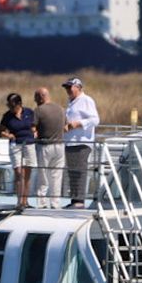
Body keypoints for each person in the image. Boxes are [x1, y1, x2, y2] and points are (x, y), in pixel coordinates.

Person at [61, 76, 99, 208]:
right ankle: (74, 199)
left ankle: (79, 201)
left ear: (78, 87)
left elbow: (95, 120)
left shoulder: (86, 100)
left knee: (79, 171)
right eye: (66, 87)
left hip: (81, 142)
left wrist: (77, 124)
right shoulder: (71, 102)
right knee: (72, 172)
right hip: (70, 142)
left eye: (70, 87)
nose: (68, 90)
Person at [0, 91, 37, 209]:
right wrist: (7, 135)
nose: (10, 108)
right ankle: (19, 201)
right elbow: (0, 131)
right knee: (19, 173)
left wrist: (35, 131)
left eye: (12, 106)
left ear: (19, 104)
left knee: (27, 174)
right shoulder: (7, 116)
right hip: (16, 145)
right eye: (8, 105)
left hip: (29, 144)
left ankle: (25, 201)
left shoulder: (29, 112)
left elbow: (34, 126)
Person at [32, 86, 66, 208]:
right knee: (57, 176)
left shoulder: (39, 110)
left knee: (43, 176)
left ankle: (42, 203)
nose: (34, 100)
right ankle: (55, 203)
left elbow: (33, 128)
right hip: (60, 146)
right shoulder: (61, 109)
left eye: (36, 97)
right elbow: (65, 126)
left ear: (41, 97)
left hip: (45, 146)